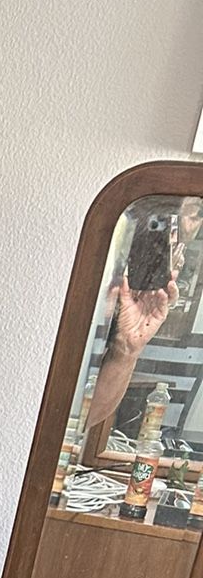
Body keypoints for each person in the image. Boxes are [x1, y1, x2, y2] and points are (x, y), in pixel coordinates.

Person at [82, 196, 203, 459]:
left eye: (195, 215)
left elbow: (82, 418)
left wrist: (127, 347)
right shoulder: (90, 277)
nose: (182, 227)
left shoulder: (126, 306)